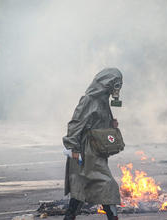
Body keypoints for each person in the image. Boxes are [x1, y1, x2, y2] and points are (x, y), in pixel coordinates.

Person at [62, 68, 123, 220]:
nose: (118, 88)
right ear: (107, 83)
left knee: (81, 186)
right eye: (116, 84)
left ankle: (69, 217)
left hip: (96, 151)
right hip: (85, 151)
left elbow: (95, 122)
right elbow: (76, 124)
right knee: (107, 184)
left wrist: (111, 125)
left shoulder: (103, 101)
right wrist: (73, 148)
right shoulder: (89, 100)